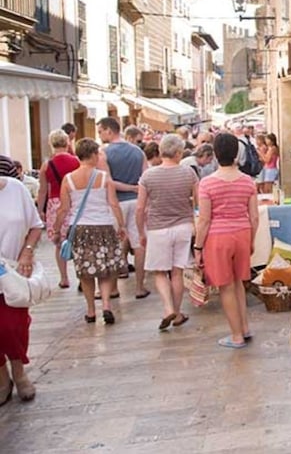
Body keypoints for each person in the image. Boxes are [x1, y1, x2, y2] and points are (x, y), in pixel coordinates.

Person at [193, 132, 258, 348]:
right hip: (242, 233)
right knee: (239, 282)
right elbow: (254, 216)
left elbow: (204, 219)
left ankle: (236, 335)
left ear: (216, 153)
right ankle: (245, 328)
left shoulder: (207, 183)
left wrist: (198, 246)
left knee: (226, 286)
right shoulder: (248, 181)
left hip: (218, 237)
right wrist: (251, 240)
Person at [53, 139, 126, 325]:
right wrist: (122, 224)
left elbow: (63, 208)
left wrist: (56, 228)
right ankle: (107, 305)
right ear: (93, 155)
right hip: (103, 227)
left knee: (86, 272)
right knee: (105, 269)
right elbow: (113, 203)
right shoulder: (103, 177)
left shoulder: (68, 179)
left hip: (81, 229)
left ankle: (91, 311)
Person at [136, 134, 198, 330]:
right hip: (183, 226)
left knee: (160, 273)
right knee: (177, 272)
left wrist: (140, 232)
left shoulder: (148, 176)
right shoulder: (189, 173)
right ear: (178, 152)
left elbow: (140, 208)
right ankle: (177, 313)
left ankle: (168, 307)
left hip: (158, 228)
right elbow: (198, 202)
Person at [0, 155, 43, 405]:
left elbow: (36, 225)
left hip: (14, 270)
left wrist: (27, 250)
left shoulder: (15, 189)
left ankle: (19, 370)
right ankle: (2, 375)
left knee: (13, 325)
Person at [96, 117, 150, 299]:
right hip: (137, 201)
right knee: (139, 243)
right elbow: (145, 178)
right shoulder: (138, 152)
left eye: (100, 131)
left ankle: (113, 287)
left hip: (116, 202)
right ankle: (140, 286)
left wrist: (127, 188)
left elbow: (107, 181)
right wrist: (136, 189)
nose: (100, 135)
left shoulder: (103, 153)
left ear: (109, 131)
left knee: (115, 244)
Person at [36, 129, 80, 289]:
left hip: (55, 203)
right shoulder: (76, 161)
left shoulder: (47, 165)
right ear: (67, 142)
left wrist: (40, 210)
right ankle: (82, 278)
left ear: (51, 144)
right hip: (73, 202)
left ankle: (64, 278)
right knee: (76, 241)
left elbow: (42, 190)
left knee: (59, 243)